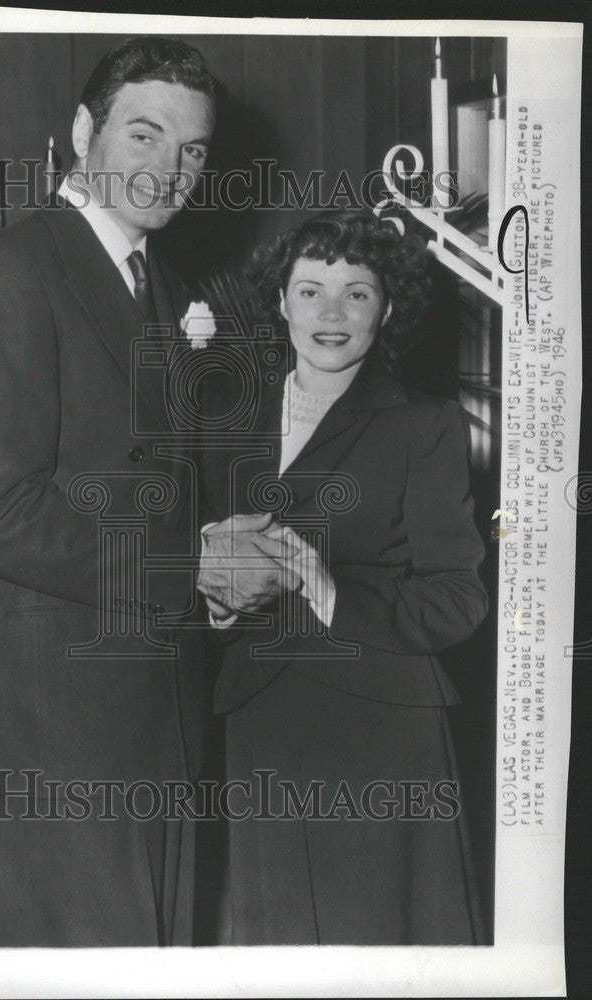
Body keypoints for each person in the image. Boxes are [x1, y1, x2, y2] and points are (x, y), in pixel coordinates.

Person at [0, 36, 229, 947]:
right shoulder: (5, 276)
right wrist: (189, 564)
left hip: (154, 721)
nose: (168, 169)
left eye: (192, 151)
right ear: (81, 132)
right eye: (144, 136)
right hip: (50, 741)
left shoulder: (161, 283)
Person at [197, 209, 489, 945]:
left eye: (356, 293)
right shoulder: (227, 419)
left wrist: (327, 592)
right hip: (260, 715)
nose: (331, 314)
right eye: (310, 291)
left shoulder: (427, 426)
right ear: (279, 301)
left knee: (377, 944)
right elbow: (203, 559)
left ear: (387, 308)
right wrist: (220, 603)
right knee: (280, 945)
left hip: (379, 726)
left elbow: (458, 598)